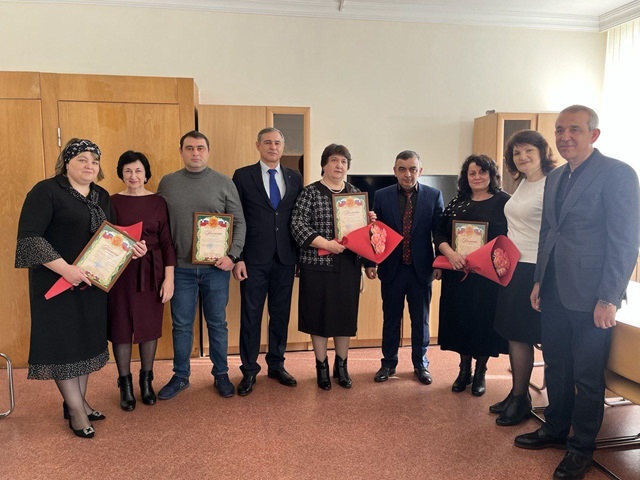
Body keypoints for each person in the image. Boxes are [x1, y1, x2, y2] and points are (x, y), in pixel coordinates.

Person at [515, 106, 640, 480]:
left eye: (574, 129)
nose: (565, 136)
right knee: (556, 364)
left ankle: (581, 448)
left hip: (592, 296)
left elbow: (625, 241)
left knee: (587, 376)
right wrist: (539, 280)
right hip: (554, 289)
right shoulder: (555, 177)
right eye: (559, 130)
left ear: (594, 134)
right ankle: (555, 428)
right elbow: (548, 233)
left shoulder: (617, 174)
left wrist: (609, 297)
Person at [15, 138, 146, 438]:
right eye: (82, 160)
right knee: (64, 345)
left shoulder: (101, 195)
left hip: (92, 285)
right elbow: (30, 239)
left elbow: (111, 236)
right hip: (56, 284)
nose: (89, 166)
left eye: (94, 161)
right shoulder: (46, 191)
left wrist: (132, 248)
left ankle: (79, 402)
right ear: (67, 163)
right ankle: (76, 411)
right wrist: (67, 270)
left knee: (84, 343)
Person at [157, 131, 246, 399]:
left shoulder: (224, 183)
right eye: (189, 148)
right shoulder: (168, 183)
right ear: (181, 151)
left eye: (200, 148)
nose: (195, 153)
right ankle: (180, 376)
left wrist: (232, 256)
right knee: (182, 325)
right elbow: (160, 224)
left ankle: (221, 374)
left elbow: (239, 222)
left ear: (208, 151)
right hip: (180, 269)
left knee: (217, 323)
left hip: (216, 269)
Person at [291, 144, 372, 390]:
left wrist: (369, 221)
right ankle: (322, 366)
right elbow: (297, 225)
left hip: (348, 266)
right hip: (317, 266)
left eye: (344, 162)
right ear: (324, 164)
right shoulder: (310, 193)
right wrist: (326, 244)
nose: (339, 165)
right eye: (334, 160)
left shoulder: (355, 194)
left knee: (344, 317)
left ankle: (342, 366)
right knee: (318, 317)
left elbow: (362, 233)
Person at [490, 130, 557, 426]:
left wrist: (541, 276)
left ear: (543, 152)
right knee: (513, 333)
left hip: (535, 268)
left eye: (528, 150)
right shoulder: (523, 183)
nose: (522, 157)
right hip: (514, 266)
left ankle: (521, 400)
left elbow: (553, 233)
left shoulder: (551, 184)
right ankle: (517, 393)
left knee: (523, 334)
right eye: (516, 153)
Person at [232, 128, 303, 396]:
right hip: (253, 259)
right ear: (258, 145)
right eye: (267, 142)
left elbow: (298, 218)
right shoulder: (242, 176)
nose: (273, 147)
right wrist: (238, 257)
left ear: (283, 147)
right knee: (251, 316)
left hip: (285, 258)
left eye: (277, 143)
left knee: (280, 315)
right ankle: (249, 370)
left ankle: (276, 364)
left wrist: (299, 257)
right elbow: (236, 217)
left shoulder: (295, 177)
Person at [365, 150, 444, 385]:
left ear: (420, 170)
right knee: (391, 319)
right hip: (392, 268)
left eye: (412, 169)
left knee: (421, 320)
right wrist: (370, 262)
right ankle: (388, 363)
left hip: (421, 269)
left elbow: (439, 232)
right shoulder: (382, 196)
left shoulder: (434, 195)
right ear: (395, 171)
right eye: (402, 169)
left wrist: (440, 261)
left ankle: (421, 364)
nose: (408, 174)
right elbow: (374, 231)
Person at [434, 154, 509, 396]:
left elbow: (510, 239)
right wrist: (450, 254)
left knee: (484, 322)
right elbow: (439, 233)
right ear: (465, 177)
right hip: (458, 274)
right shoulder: (458, 202)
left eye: (482, 172)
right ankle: (464, 370)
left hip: (488, 277)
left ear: (491, 175)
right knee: (461, 320)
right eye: (472, 173)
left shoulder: (504, 202)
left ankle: (480, 372)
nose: (477, 177)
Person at [108, 151, 177, 411]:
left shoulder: (158, 202)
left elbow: (167, 241)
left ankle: (146, 382)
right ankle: (124, 384)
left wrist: (169, 278)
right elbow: (105, 237)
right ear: (121, 174)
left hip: (153, 270)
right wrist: (126, 249)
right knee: (121, 325)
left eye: (138, 170)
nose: (133, 176)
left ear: (146, 174)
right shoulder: (111, 201)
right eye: (128, 171)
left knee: (149, 325)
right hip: (121, 272)